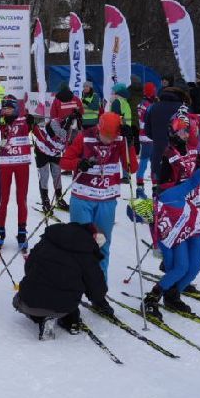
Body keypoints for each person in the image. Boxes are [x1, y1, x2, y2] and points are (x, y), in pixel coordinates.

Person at [143, 109, 200, 315]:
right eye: (182, 131)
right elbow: (165, 192)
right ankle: (153, 297)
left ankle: (174, 295)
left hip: (194, 213)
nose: (187, 134)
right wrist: (197, 177)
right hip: (175, 216)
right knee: (180, 266)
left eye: (188, 131)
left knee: (195, 265)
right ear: (173, 132)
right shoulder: (167, 156)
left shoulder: (194, 148)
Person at [59, 112, 136, 281]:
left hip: (107, 200)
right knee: (80, 244)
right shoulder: (84, 138)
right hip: (83, 198)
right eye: (105, 135)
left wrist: (129, 143)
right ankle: (76, 286)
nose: (108, 140)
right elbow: (64, 161)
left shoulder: (119, 139)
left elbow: (132, 168)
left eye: (112, 136)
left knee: (103, 245)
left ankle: (99, 290)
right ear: (98, 128)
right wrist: (79, 164)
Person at [12, 222, 114, 339]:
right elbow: (97, 290)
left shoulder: (49, 239)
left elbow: (28, 267)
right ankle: (70, 321)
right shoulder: (86, 253)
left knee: (17, 300)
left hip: (29, 302)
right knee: (67, 302)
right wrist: (99, 302)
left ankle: (40, 318)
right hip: (63, 307)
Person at [0, 95, 34, 253]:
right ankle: (0, 231)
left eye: (9, 108)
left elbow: (42, 135)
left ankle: (22, 232)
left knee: (21, 200)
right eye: (4, 108)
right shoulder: (2, 121)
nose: (6, 110)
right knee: (4, 199)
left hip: (22, 164)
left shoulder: (24, 120)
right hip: (6, 165)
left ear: (15, 107)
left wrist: (32, 122)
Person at [144, 84, 190, 177]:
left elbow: (147, 130)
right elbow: (185, 133)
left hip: (158, 152)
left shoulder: (154, 107)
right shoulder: (182, 109)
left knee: (159, 184)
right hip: (177, 154)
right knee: (176, 185)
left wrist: (158, 137)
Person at [32, 115, 70, 213]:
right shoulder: (55, 124)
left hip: (55, 151)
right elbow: (59, 136)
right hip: (42, 151)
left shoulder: (69, 129)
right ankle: (45, 201)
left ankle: (59, 198)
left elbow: (67, 145)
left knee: (57, 174)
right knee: (44, 176)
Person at [135, 82, 158, 184]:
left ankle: (142, 186)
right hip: (149, 136)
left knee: (146, 161)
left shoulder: (141, 104)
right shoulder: (149, 106)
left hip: (144, 135)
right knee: (149, 162)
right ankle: (144, 187)